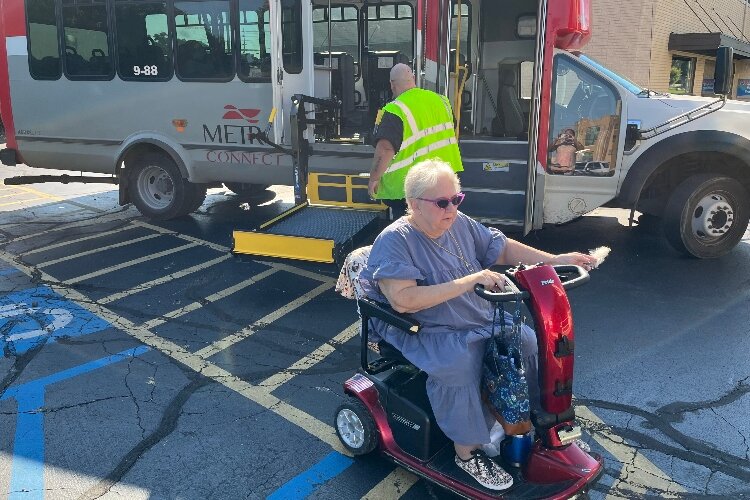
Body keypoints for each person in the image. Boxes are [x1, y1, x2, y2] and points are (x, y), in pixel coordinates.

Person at [359, 159, 597, 491]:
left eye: (457, 199)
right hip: (423, 326)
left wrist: (556, 260)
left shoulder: (459, 224)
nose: (451, 208)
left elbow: (500, 247)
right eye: (442, 202)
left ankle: (534, 424)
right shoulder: (395, 240)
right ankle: (467, 453)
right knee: (459, 364)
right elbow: (403, 300)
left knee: (527, 341)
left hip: (473, 313)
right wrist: (470, 281)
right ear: (413, 205)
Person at [368, 64, 463, 219]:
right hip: (445, 183)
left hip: (410, 190)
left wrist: (374, 178)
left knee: (408, 237)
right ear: (413, 79)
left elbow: (385, 149)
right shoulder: (442, 101)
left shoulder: (395, 109)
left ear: (392, 84)